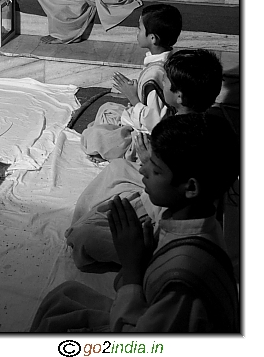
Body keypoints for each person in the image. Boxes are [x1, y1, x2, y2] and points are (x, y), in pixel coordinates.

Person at [32, 112, 239, 333]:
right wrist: (146, 259)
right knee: (65, 296)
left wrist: (132, 269)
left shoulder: (182, 283)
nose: (142, 169)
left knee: (56, 325)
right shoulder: (198, 220)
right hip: (149, 312)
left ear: (190, 188)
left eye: (156, 170)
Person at [67, 49, 226, 271]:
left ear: (179, 95)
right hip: (158, 187)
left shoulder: (182, 252)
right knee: (116, 166)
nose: (163, 89)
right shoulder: (204, 127)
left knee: (83, 235)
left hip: (155, 203)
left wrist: (146, 157)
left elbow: (164, 178)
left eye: (167, 85)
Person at [81, 4, 183, 162]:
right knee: (106, 109)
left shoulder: (156, 74)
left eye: (139, 29)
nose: (137, 33)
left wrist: (133, 97)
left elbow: (154, 125)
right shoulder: (166, 61)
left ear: (152, 38)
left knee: (94, 136)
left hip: (146, 140)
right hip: (140, 120)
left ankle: (114, 152)